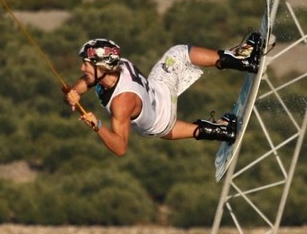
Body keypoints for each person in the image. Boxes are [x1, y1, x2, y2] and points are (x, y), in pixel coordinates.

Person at [63, 33, 263, 157]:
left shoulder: (121, 103)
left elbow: (120, 148)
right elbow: (87, 80)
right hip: (158, 101)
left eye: (86, 64)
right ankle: (240, 60)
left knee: (178, 55)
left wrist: (97, 126)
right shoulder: (117, 65)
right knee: (178, 53)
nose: (82, 68)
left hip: (155, 120)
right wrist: (74, 92)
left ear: (102, 67)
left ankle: (221, 131)